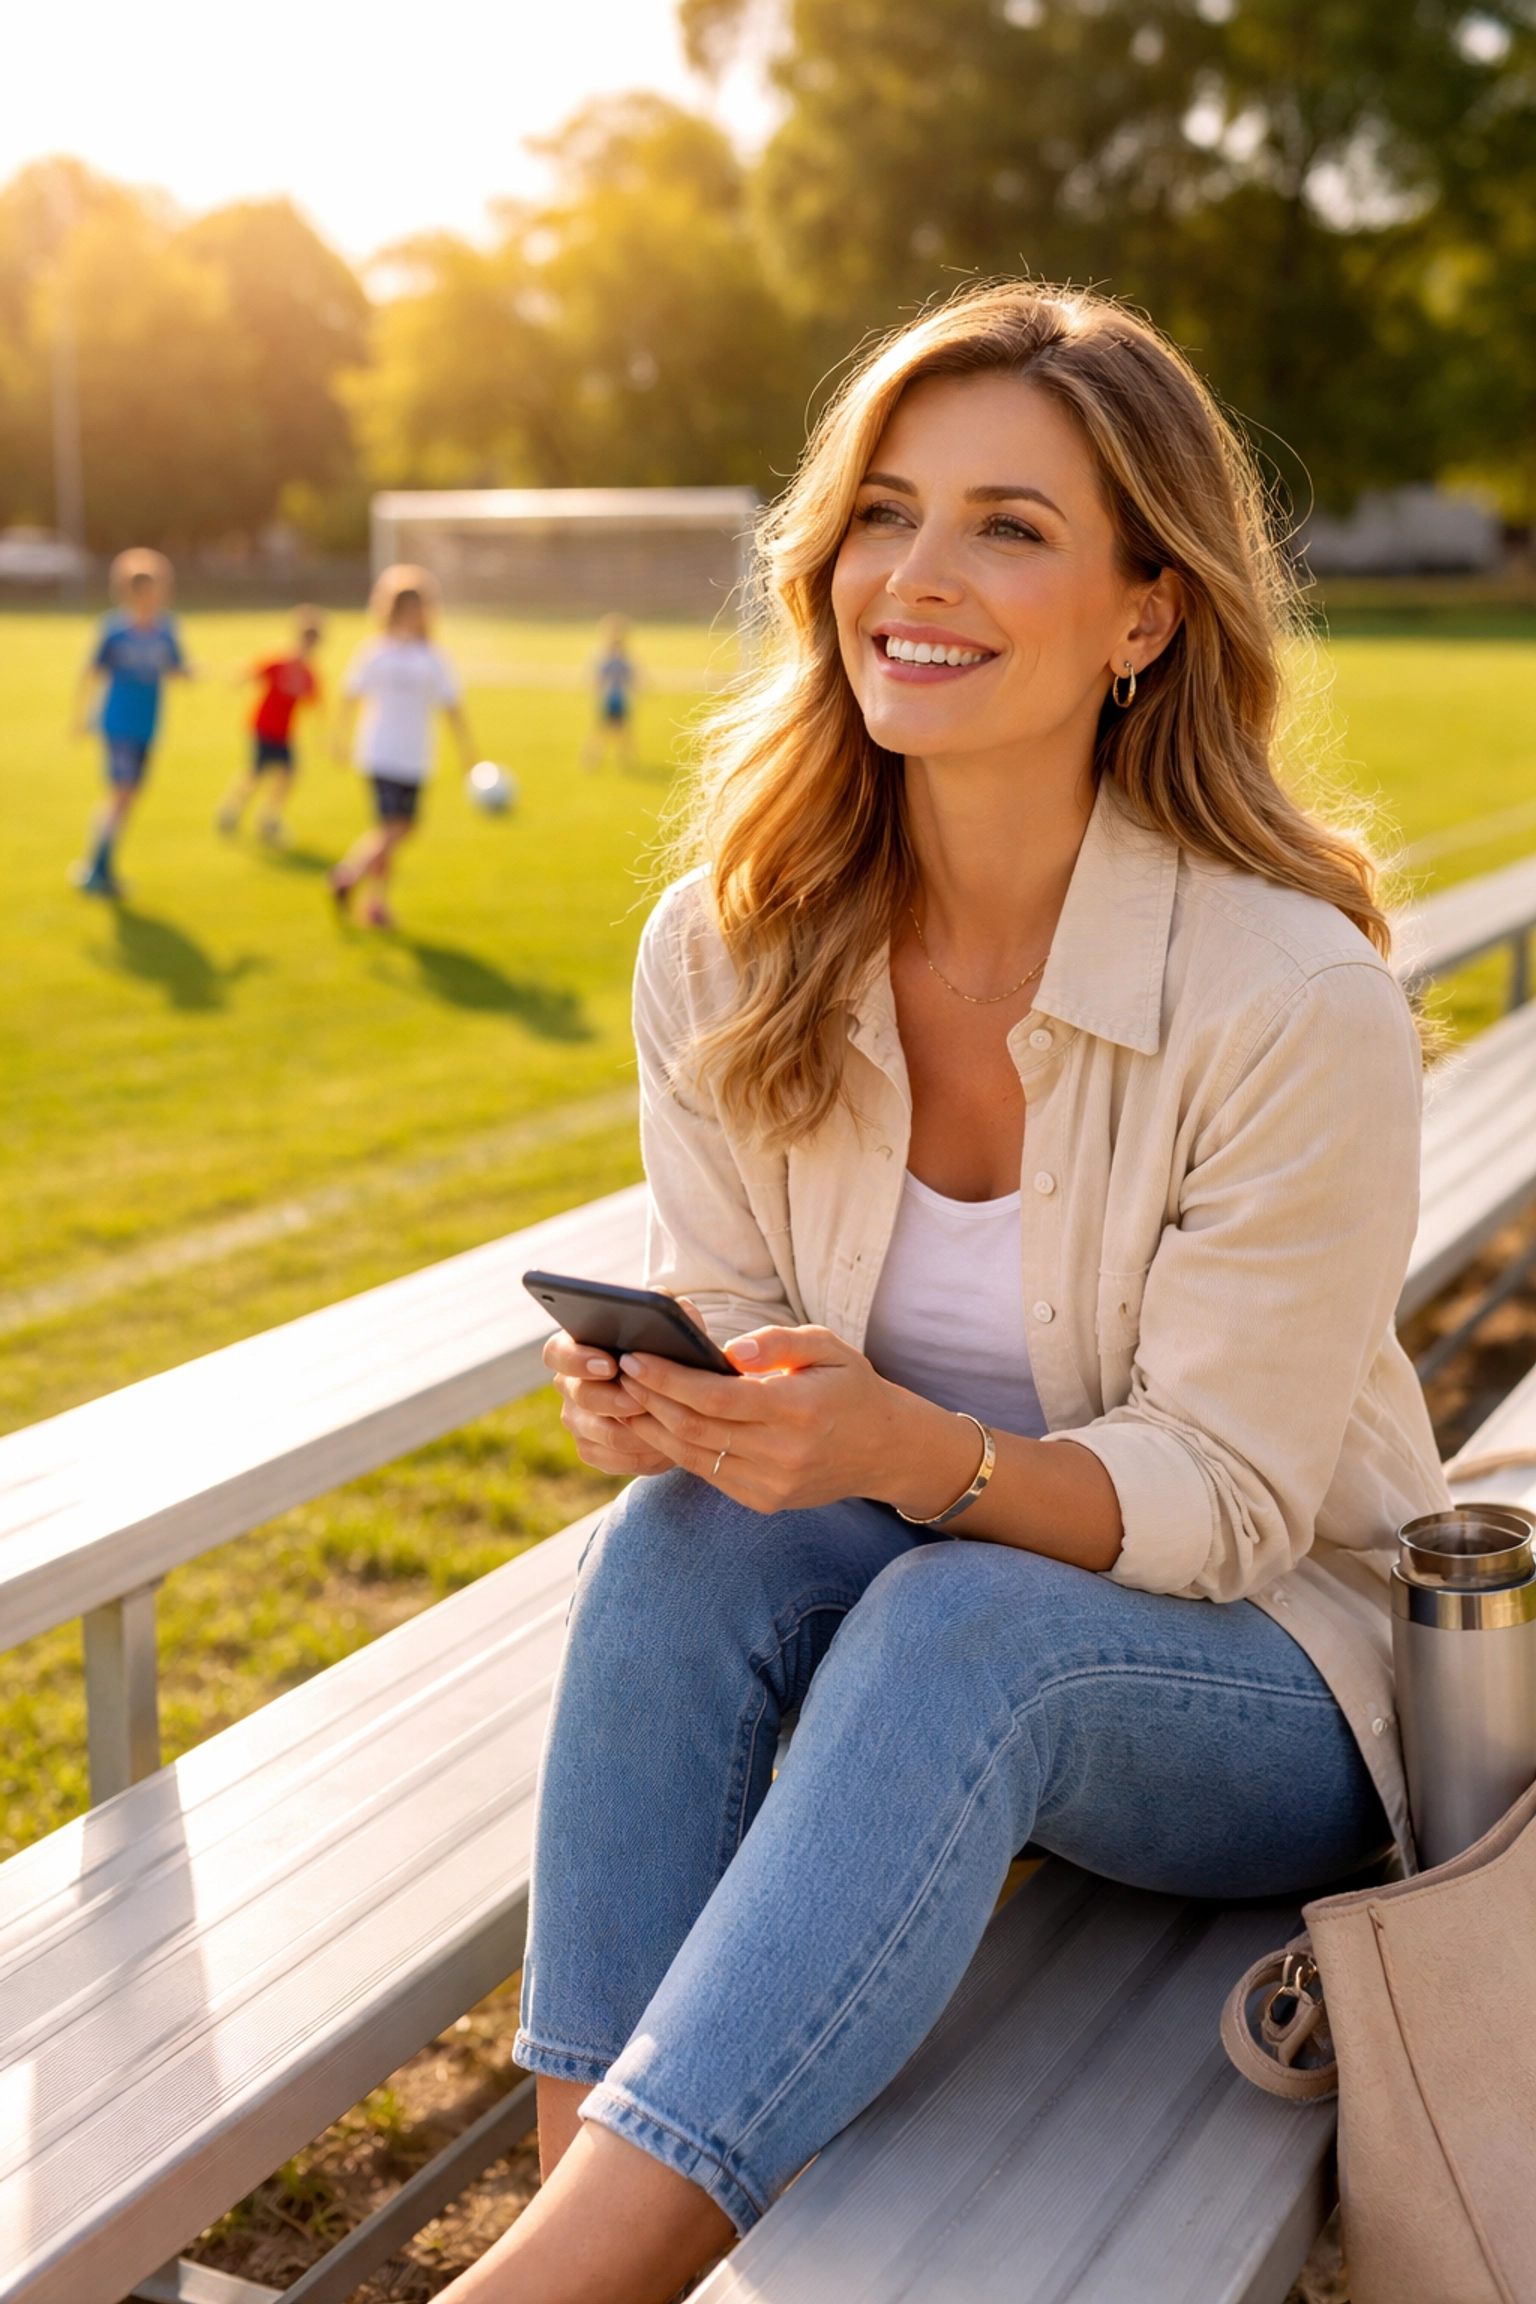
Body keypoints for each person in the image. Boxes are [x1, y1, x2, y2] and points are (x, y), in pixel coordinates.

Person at [439, 283, 1450, 2304]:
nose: (915, 573)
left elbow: (1238, 1501)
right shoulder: (727, 950)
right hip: (915, 1622)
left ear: (1145, 613)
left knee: (961, 1618)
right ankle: (583, 2219)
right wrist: (697, 1412)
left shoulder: (1290, 997)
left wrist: (907, 1449)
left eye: (1010, 525)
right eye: (886, 510)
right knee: (671, 1551)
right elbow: (738, 1327)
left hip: (1279, 1673)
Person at [328, 565, 474, 929]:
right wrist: (339, 739)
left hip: (415, 756)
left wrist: (467, 751)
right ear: (392, 609)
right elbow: (349, 694)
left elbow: (452, 706)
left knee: (393, 832)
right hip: (379, 752)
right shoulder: (376, 652)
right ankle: (351, 878)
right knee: (395, 826)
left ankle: (372, 900)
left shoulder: (432, 657)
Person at [69, 548, 189, 898]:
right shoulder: (114, 631)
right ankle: (95, 869)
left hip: (147, 725)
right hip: (117, 722)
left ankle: (99, 867)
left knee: (128, 796)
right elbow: (90, 673)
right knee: (121, 794)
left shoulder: (166, 629)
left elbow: (174, 668)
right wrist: (81, 717)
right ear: (129, 593)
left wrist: (190, 672)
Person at [216, 607, 325, 844]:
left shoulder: (308, 673)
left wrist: (324, 737)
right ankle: (230, 810)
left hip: (284, 733)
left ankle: (268, 818)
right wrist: (237, 677)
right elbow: (252, 671)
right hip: (264, 727)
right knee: (255, 774)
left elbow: (315, 703)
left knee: (288, 774)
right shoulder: (279, 661)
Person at [580, 613, 638, 771]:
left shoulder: (624, 656)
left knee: (623, 732)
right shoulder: (604, 656)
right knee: (602, 732)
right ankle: (592, 759)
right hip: (609, 701)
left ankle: (624, 759)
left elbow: (631, 677)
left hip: (619, 700)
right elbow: (596, 678)